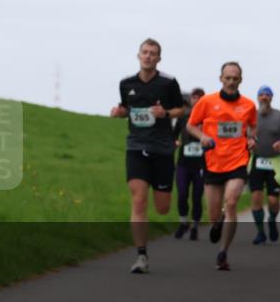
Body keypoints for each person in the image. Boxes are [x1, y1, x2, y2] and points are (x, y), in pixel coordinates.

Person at [110, 39, 184, 273]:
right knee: (139, 200)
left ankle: (161, 208)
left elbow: (181, 110)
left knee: (162, 207)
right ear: (138, 55)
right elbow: (127, 110)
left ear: (159, 59)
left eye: (153, 53)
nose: (148, 56)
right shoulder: (126, 83)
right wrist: (120, 112)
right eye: (145, 52)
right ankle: (141, 256)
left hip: (162, 149)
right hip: (136, 146)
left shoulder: (168, 83)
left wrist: (165, 113)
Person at [186, 61, 258, 271]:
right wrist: (202, 136)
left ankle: (223, 252)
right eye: (228, 78)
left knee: (232, 202)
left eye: (235, 79)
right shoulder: (207, 102)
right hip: (213, 161)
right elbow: (191, 125)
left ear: (241, 80)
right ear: (221, 79)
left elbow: (253, 128)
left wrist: (252, 139)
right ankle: (217, 223)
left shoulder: (248, 105)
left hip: (238, 160)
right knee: (214, 213)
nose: (231, 82)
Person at [248, 86, 280, 245]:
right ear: (257, 97)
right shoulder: (250, 115)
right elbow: (242, 135)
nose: (264, 97)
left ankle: (272, 219)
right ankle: (260, 232)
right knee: (256, 197)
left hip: (275, 162)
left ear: (272, 98)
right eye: (261, 94)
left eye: (267, 95)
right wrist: (249, 141)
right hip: (257, 160)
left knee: (273, 201)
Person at [173, 88, 207, 240]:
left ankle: (194, 226)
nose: (197, 100)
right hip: (183, 163)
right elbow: (173, 136)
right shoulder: (183, 118)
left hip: (201, 164)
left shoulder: (208, 119)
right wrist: (175, 142)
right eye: (194, 97)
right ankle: (183, 222)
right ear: (191, 100)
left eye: (200, 98)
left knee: (197, 197)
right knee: (182, 194)